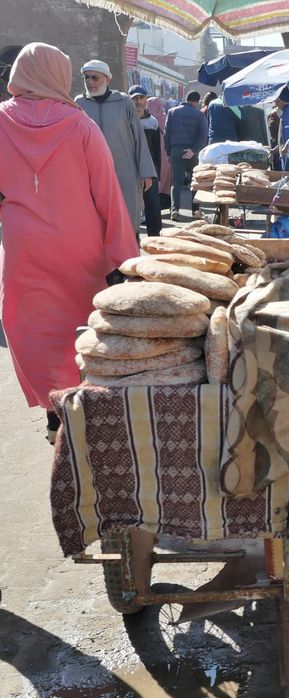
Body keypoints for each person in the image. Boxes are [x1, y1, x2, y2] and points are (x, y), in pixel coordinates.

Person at [0, 43, 137, 441]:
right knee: (79, 327)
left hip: (24, 247)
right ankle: (79, 403)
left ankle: (51, 408)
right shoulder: (80, 126)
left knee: (31, 328)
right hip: (82, 248)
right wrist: (126, 259)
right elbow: (108, 196)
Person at [75, 59, 156, 233]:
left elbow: (138, 138)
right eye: (86, 78)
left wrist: (146, 172)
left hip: (125, 170)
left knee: (127, 216)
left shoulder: (124, 102)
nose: (90, 82)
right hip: (90, 172)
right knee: (94, 221)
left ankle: (130, 255)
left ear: (107, 79)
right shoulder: (79, 104)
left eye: (94, 78)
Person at [164, 90, 207, 221]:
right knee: (195, 183)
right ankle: (195, 211)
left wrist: (168, 152)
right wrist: (193, 150)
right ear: (196, 101)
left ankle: (175, 210)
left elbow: (167, 134)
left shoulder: (172, 112)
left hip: (176, 150)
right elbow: (203, 135)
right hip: (192, 153)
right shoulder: (199, 115)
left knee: (176, 183)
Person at [129, 85, 162, 236]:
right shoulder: (124, 121)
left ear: (146, 100)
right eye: (134, 98)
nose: (138, 101)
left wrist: (157, 175)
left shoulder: (153, 122)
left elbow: (157, 151)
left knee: (153, 207)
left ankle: (156, 241)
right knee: (131, 209)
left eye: (141, 98)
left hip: (150, 171)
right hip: (129, 170)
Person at [147, 96, 172, 206]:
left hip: (152, 151)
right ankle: (165, 200)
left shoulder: (146, 119)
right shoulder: (166, 118)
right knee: (165, 175)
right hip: (165, 150)